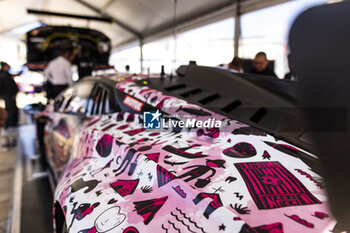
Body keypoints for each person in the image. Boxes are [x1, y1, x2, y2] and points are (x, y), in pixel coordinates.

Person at [0, 62, 19, 129]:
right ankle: (10, 123)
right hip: (8, 95)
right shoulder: (4, 75)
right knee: (10, 109)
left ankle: (11, 123)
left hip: (8, 95)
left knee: (10, 109)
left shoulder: (5, 74)